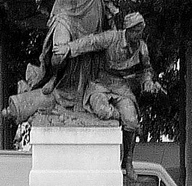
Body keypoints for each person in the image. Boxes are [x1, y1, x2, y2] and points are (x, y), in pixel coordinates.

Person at [60, 12, 161, 176]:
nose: (138, 35)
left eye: (140, 32)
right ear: (127, 30)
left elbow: (145, 70)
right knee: (103, 111)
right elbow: (91, 42)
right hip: (99, 84)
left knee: (132, 121)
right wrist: (69, 48)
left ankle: (127, 160)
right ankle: (116, 126)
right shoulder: (112, 38)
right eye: (135, 31)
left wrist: (148, 81)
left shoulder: (142, 47)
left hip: (121, 87)